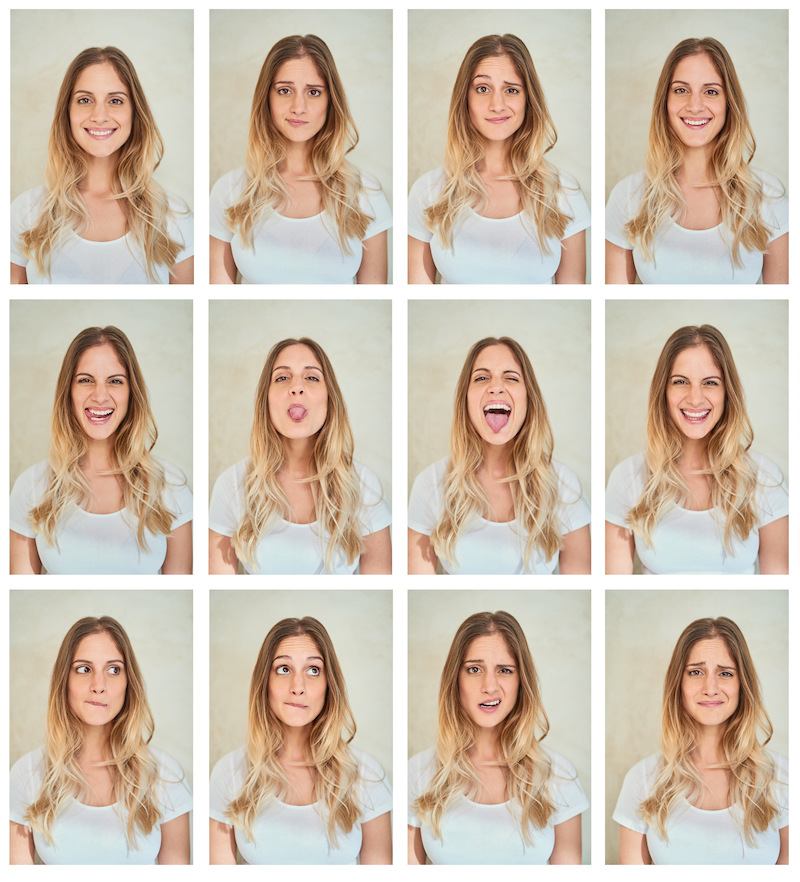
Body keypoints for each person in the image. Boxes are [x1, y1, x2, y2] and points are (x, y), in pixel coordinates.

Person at [9, 326, 193, 575]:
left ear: (132, 394)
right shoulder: (31, 486)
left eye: (115, 381)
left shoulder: (170, 486)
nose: (100, 396)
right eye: (85, 380)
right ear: (68, 392)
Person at [605, 325, 788, 574]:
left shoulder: (765, 478)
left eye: (710, 383)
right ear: (663, 392)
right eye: (680, 382)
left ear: (727, 393)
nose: (695, 398)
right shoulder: (627, 477)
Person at [408, 33, 589, 284]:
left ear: (528, 100)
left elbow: (573, 299)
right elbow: (417, 300)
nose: (497, 104)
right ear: (465, 99)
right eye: (483, 89)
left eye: (511, 90)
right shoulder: (427, 191)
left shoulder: (564, 193)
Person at [408, 610, 587, 864]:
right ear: (455, 680)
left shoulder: (558, 776)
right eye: (474, 669)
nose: (489, 686)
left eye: (504, 670)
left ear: (521, 682)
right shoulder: (417, 772)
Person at [10, 616, 192, 864]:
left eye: (114, 669)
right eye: (84, 669)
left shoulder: (165, 775)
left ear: (129, 683)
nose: (99, 685)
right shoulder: (26, 774)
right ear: (65, 680)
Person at [210, 34, 390, 284]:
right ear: (267, 99)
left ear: (331, 102)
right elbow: (217, 299)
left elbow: (374, 299)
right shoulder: (229, 191)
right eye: (285, 90)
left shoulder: (366, 193)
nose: (298, 106)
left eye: (314, 92)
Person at [209, 616, 392, 864]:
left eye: (313, 670)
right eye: (284, 669)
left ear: (329, 685)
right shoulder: (229, 772)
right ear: (265, 682)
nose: (298, 686)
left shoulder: (366, 775)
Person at [606, 37, 788, 284]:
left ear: (729, 103)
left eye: (711, 91)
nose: (695, 105)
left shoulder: (768, 196)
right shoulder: (627, 196)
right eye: (681, 90)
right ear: (665, 102)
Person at [10, 46, 193, 284]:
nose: (99, 115)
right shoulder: (24, 213)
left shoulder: (174, 218)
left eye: (115, 100)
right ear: (67, 112)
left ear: (135, 113)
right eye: (85, 100)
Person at [408, 336, 590, 574]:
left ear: (529, 399)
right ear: (465, 399)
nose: (495, 386)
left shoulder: (564, 486)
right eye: (481, 378)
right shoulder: (430, 484)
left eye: (511, 377)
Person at [209, 337, 391, 574]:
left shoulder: (364, 486)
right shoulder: (231, 485)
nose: (296, 387)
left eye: (312, 377)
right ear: (266, 399)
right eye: (282, 378)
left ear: (329, 398)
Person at [614, 617, 788, 864]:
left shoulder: (785, 778)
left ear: (742, 685)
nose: (710, 687)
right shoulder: (642, 778)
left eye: (725, 673)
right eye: (696, 672)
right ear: (679, 684)